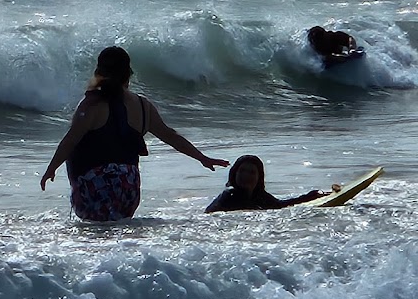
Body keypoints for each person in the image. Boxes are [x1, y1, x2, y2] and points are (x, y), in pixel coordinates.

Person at [40, 46, 229, 222]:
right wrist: (202, 158)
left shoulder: (92, 105)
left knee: (96, 241)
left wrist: (51, 168)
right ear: (128, 73)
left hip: (96, 186)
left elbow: (71, 140)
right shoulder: (142, 105)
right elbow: (170, 136)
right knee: (118, 237)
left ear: (98, 72)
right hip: (128, 188)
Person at [205, 154, 326, 213]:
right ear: (234, 174)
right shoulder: (228, 196)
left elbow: (283, 205)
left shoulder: (261, 197)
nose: (246, 176)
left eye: (251, 172)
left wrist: (311, 196)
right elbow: (209, 216)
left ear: (259, 177)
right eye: (242, 171)